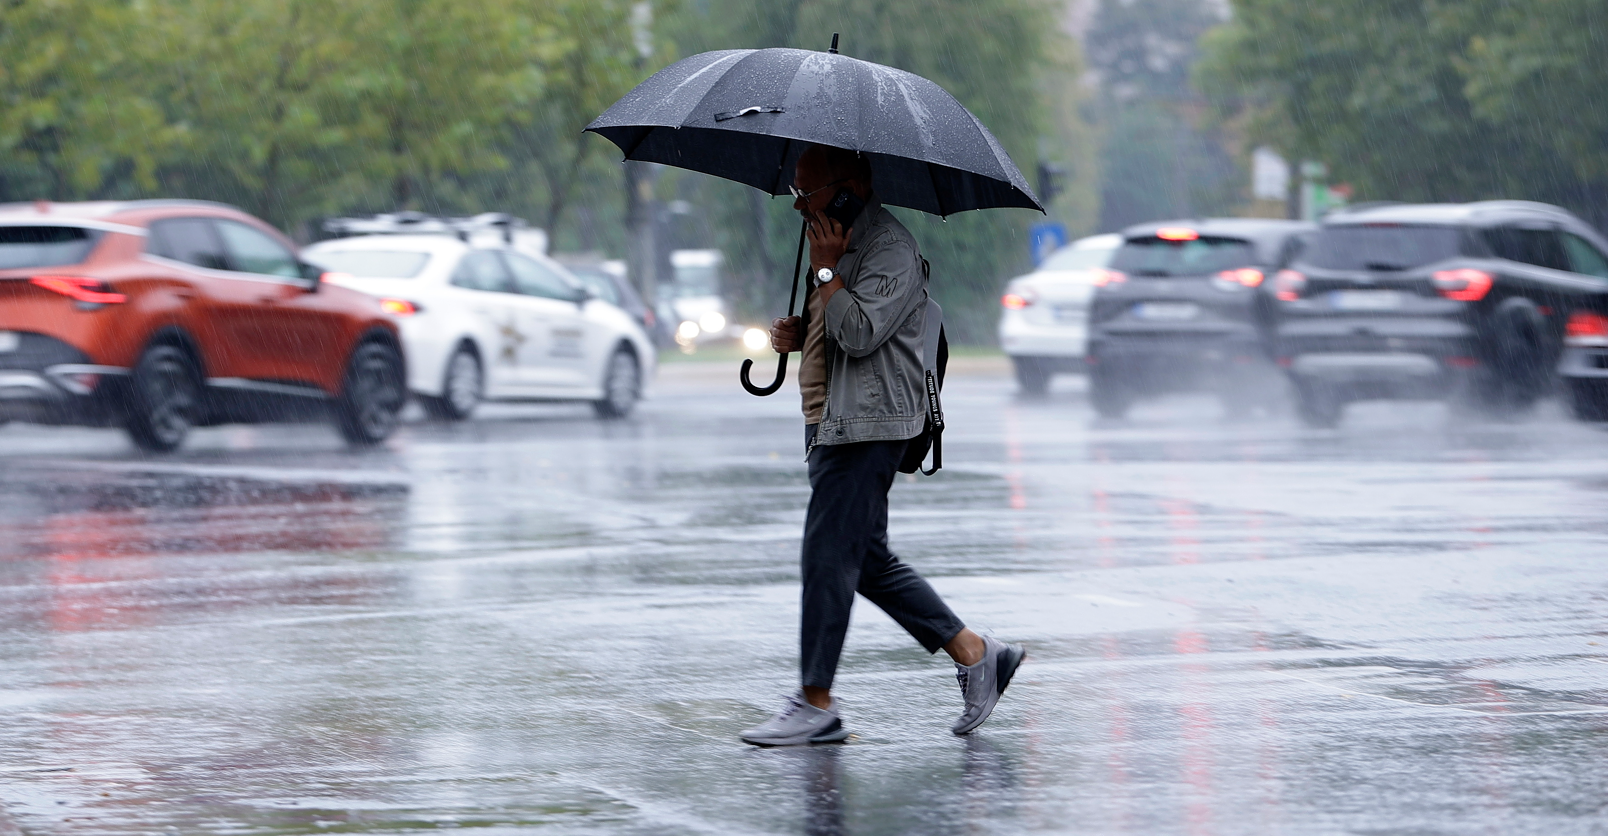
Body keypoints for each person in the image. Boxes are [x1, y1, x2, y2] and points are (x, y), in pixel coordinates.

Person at [739, 144, 1025, 747]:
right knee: (863, 558)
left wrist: (825, 271)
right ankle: (976, 653)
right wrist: (801, 327)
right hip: (833, 419)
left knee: (826, 556)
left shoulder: (888, 248)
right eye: (795, 192)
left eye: (808, 192)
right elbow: (835, 328)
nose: (799, 205)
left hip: (869, 426)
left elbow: (863, 332)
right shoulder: (836, 243)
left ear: (851, 186)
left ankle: (816, 702)